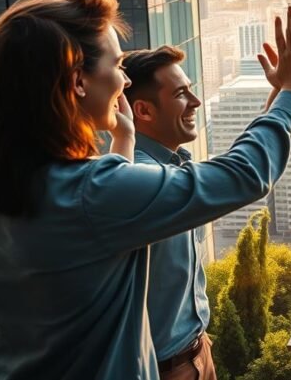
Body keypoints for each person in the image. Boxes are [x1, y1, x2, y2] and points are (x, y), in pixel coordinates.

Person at [0, 0, 291, 379]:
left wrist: (124, 141)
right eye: (117, 66)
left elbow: (98, 228)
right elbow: (243, 175)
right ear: (78, 81)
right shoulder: (91, 194)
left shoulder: (27, 183)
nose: (125, 80)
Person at [122, 46, 216, 379]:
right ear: (143, 110)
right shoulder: (141, 181)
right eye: (180, 94)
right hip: (164, 369)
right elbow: (242, 178)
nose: (196, 101)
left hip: (198, 350)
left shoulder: (177, 165)